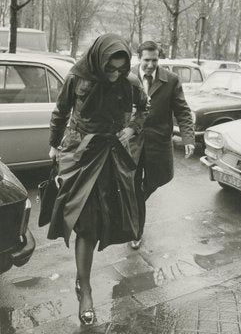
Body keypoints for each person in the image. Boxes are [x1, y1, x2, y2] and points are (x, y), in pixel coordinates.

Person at [47, 33, 147, 326]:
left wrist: (132, 129)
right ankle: (85, 289)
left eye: (121, 68)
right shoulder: (77, 77)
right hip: (80, 155)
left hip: (113, 157)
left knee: (116, 218)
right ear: (98, 60)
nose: (116, 75)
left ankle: (85, 282)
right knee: (86, 224)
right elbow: (61, 111)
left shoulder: (130, 83)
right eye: (110, 68)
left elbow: (143, 108)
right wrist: (54, 145)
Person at [131, 40, 195, 249]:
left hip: (158, 143)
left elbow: (182, 110)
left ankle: (136, 201)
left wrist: (188, 137)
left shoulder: (171, 80)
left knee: (162, 177)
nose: (151, 65)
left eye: (155, 60)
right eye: (147, 60)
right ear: (139, 58)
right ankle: (136, 232)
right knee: (133, 187)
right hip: (132, 143)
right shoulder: (127, 77)